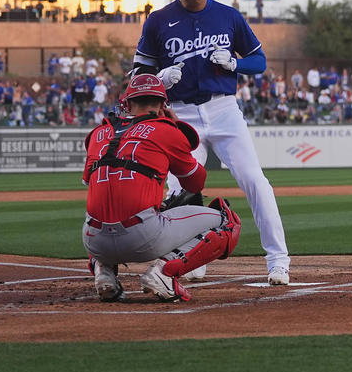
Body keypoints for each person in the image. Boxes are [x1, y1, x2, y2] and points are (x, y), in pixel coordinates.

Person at [132, 0, 290, 285]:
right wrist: (159, 79)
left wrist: (235, 64)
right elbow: (137, 75)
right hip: (182, 113)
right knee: (179, 190)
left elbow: (259, 61)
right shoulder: (158, 20)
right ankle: (189, 259)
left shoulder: (227, 16)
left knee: (255, 181)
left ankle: (278, 261)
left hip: (223, 109)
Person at [81, 73, 240, 302]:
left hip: (94, 240)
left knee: (103, 207)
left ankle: (103, 270)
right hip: (141, 236)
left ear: (127, 104)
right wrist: (175, 127)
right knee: (226, 221)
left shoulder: (98, 133)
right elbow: (196, 183)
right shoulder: (165, 129)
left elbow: (90, 181)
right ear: (163, 105)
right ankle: (164, 272)